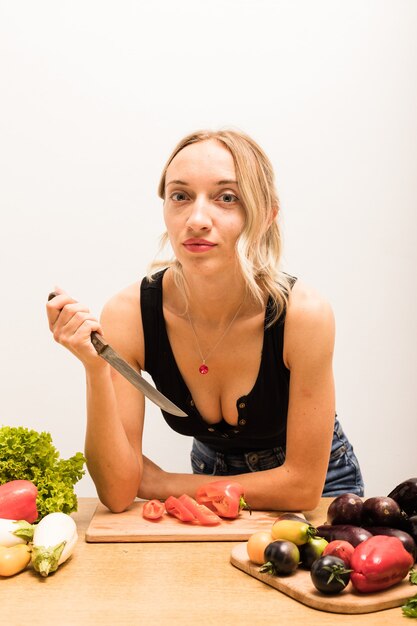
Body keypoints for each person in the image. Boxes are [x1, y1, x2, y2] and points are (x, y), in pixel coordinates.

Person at [47, 129, 364, 513]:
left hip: (322, 488)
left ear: (265, 215)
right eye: (180, 196)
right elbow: (117, 492)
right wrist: (96, 369)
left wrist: (161, 483)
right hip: (205, 474)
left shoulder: (304, 315)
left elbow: (300, 488)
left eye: (226, 198)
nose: (197, 219)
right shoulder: (129, 314)